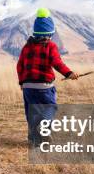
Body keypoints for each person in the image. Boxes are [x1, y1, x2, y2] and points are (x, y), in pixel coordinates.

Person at [16, 8, 78, 146]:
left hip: (28, 87)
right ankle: (44, 128)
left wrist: (22, 82)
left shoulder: (27, 47)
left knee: (32, 112)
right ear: (50, 33)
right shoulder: (50, 46)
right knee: (50, 108)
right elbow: (57, 63)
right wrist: (69, 73)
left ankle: (34, 139)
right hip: (44, 86)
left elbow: (19, 65)